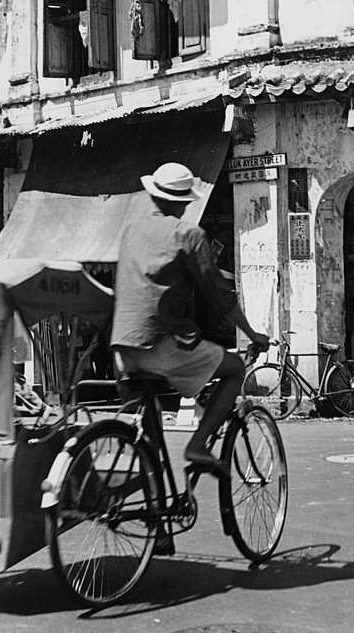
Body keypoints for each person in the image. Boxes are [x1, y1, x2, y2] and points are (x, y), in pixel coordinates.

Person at [111, 161, 269, 477]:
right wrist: (253, 335)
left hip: (121, 348)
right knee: (234, 368)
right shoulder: (189, 234)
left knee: (152, 450)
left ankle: (155, 489)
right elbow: (220, 295)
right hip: (158, 346)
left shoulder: (129, 230)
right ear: (184, 202)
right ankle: (197, 444)